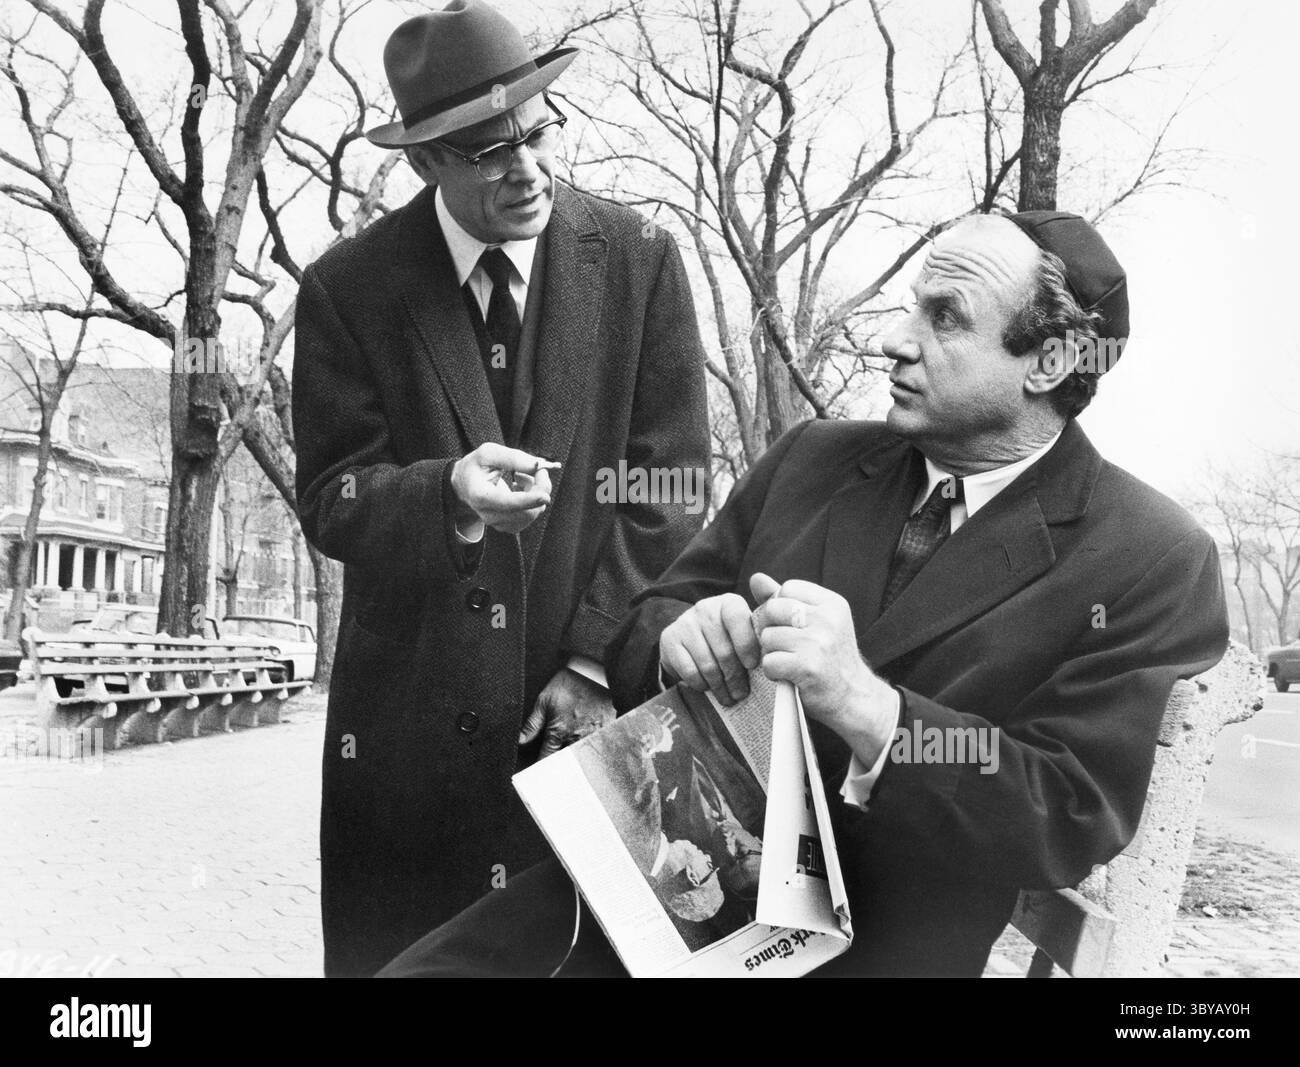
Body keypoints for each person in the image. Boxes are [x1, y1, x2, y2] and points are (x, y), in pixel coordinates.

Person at [376, 209, 1229, 978]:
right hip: (644, 893)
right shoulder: (815, 457)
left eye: (944, 319)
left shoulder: (1147, 557)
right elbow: (649, 620)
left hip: (871, 949)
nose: (895, 341)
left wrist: (874, 711)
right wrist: (678, 639)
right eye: (910, 306)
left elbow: (1065, 810)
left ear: (1047, 362)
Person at [293, 0, 709, 976]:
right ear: (425, 161)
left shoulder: (640, 263)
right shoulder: (347, 289)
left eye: (538, 133)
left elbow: (673, 481)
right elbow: (332, 496)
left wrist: (599, 661)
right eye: (488, 151)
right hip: (406, 757)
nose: (527, 169)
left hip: (585, 743)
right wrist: (448, 495)